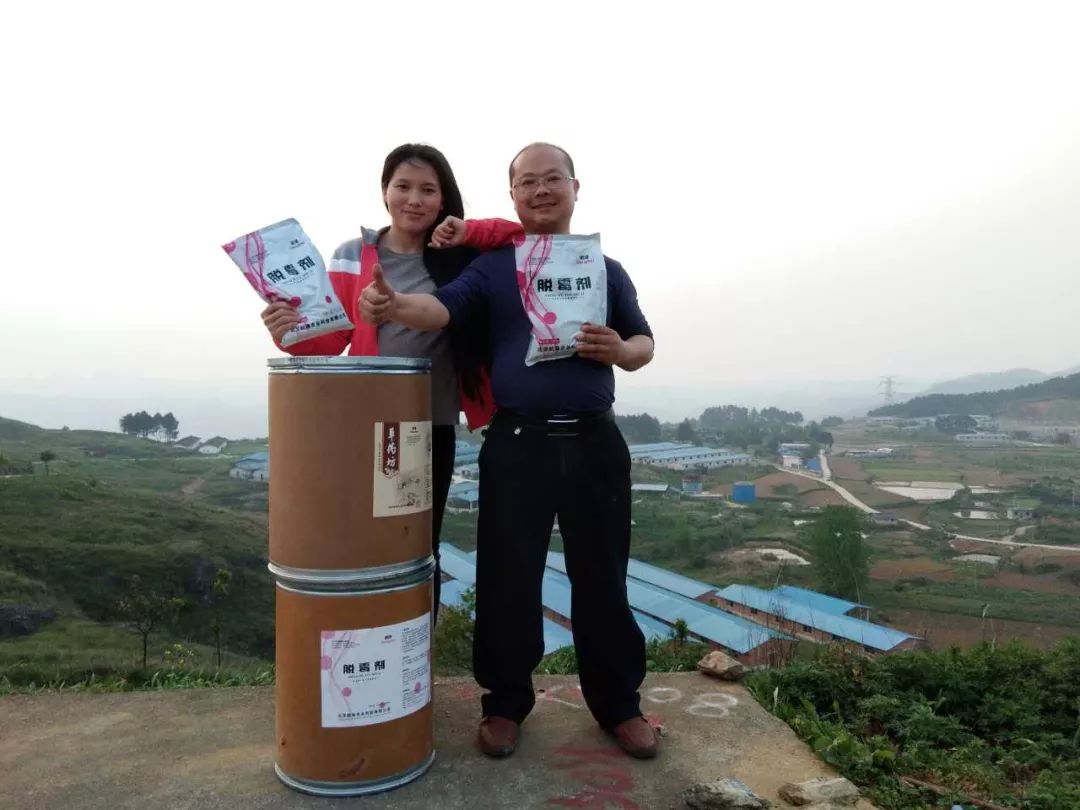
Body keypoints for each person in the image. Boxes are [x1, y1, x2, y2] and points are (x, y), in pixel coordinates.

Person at [360, 143, 658, 759]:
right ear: (513, 195)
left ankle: (618, 705)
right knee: (507, 577)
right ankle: (504, 703)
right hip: (518, 442)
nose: (541, 190)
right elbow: (442, 309)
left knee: (603, 576)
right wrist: (394, 305)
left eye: (553, 179)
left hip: (596, 442)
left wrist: (619, 351)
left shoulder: (605, 268)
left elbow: (643, 343)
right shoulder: (496, 267)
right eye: (527, 182)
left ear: (575, 187)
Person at [259, 143, 496, 621]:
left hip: (428, 428)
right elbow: (330, 340)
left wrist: (470, 231)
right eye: (403, 186)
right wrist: (287, 333)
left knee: (418, 548)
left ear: (444, 198)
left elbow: (515, 239)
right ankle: (370, 645)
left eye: (428, 190)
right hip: (365, 427)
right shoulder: (351, 256)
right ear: (384, 191)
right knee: (365, 543)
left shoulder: (460, 257)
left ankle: (413, 652)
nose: (415, 199)